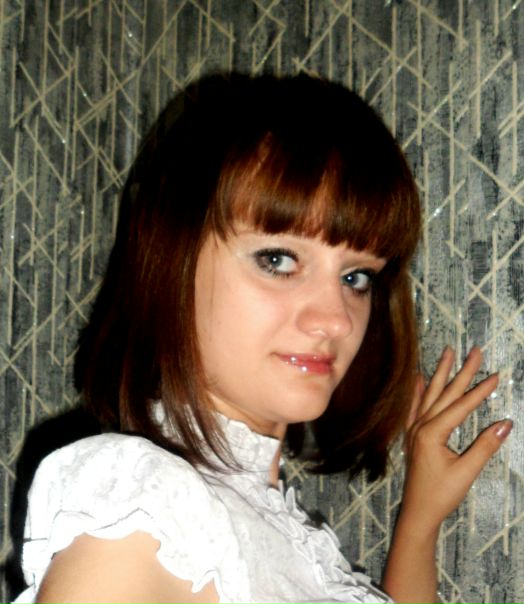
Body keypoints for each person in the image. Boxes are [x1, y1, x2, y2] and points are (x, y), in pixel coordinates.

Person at [13, 74, 512, 604]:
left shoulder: (245, 519)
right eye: (277, 260)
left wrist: (419, 522)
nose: (337, 321)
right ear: (173, 263)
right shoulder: (142, 505)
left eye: (355, 277)